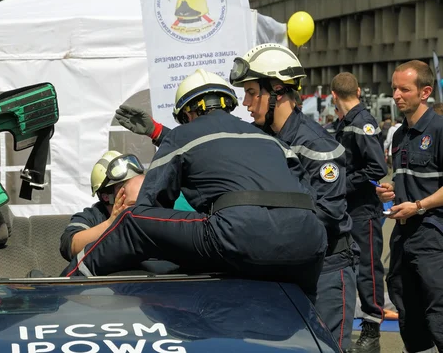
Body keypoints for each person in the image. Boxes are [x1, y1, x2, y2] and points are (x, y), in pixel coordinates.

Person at [62, 69, 327, 301]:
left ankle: (59, 287)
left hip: (240, 233)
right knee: (304, 317)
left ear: (188, 112)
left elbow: (148, 207)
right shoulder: (271, 141)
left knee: (133, 220)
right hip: (309, 239)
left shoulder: (181, 136)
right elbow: (308, 193)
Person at [229, 43, 356, 350]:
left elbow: (327, 214)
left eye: (250, 92)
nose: (245, 102)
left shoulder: (316, 144)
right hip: (285, 269)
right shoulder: (262, 138)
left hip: (325, 272)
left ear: (277, 91)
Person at [376, 60, 443, 353]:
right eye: (394, 88)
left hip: (433, 235)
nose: (397, 95)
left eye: (404, 89)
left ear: (425, 92)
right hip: (403, 238)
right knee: (406, 309)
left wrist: (418, 206)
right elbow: (414, 179)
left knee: (438, 311)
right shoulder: (400, 135)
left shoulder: (439, 130)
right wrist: (393, 189)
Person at [331, 72, 388, 353]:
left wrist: (342, 183)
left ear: (333, 96)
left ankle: (372, 331)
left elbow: (378, 167)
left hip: (363, 209)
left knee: (368, 270)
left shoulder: (362, 123)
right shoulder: (344, 123)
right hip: (348, 208)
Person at [59, 150, 144, 262]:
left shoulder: (153, 209)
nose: (134, 188)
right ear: (106, 196)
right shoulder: (94, 216)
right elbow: (70, 245)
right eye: (123, 186)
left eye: (135, 181)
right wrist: (111, 223)